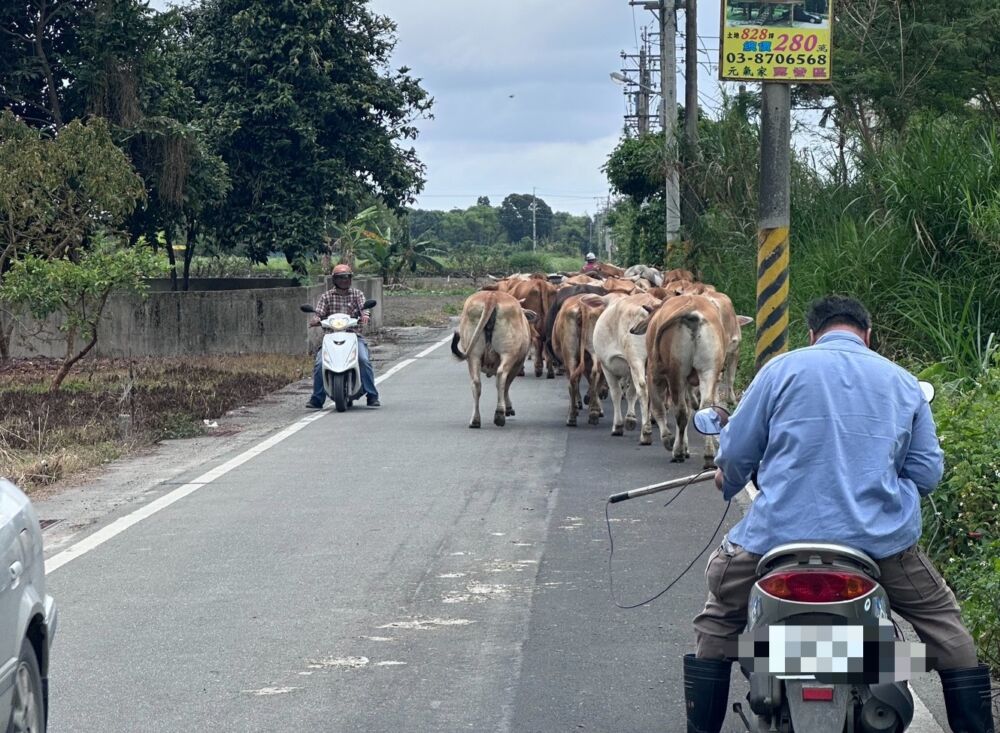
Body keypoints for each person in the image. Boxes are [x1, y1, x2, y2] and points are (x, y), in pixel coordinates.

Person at [684, 295, 994, 733]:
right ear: (867, 335)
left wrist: (729, 482)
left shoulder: (780, 371)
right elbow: (926, 472)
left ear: (813, 335)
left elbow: (734, 453)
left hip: (777, 542)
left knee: (717, 625)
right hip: (880, 548)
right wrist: (888, 493)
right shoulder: (903, 382)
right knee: (949, 636)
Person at [306, 264, 380, 409]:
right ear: (334, 279)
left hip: (353, 335)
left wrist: (365, 315)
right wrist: (316, 319)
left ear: (351, 279)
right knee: (320, 363)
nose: (344, 280)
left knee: (363, 359)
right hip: (331, 336)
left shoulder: (357, 294)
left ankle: (372, 395)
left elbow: (364, 308)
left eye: (347, 277)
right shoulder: (327, 296)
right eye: (340, 278)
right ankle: (317, 398)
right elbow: (319, 313)